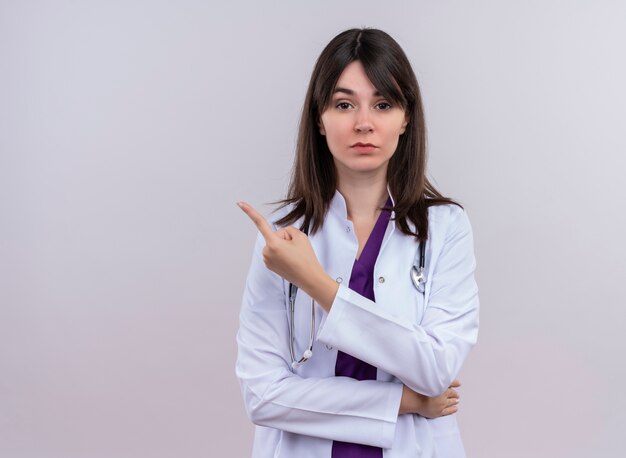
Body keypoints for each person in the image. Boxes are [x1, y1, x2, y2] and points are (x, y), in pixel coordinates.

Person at [236, 28, 479, 458]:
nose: (363, 123)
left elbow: (436, 369)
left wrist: (317, 285)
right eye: (343, 104)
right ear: (319, 117)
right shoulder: (282, 238)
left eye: (383, 104)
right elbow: (263, 396)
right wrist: (406, 403)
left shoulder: (445, 227)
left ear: (405, 118)